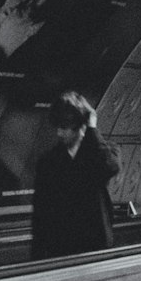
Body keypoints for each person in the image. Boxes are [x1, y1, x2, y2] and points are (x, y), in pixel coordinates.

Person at [30, 91, 122, 259]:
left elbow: (110, 167)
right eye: (57, 127)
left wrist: (92, 130)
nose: (59, 133)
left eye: (64, 128)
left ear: (81, 125)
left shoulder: (103, 152)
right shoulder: (48, 162)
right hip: (61, 249)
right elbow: (40, 212)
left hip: (96, 248)